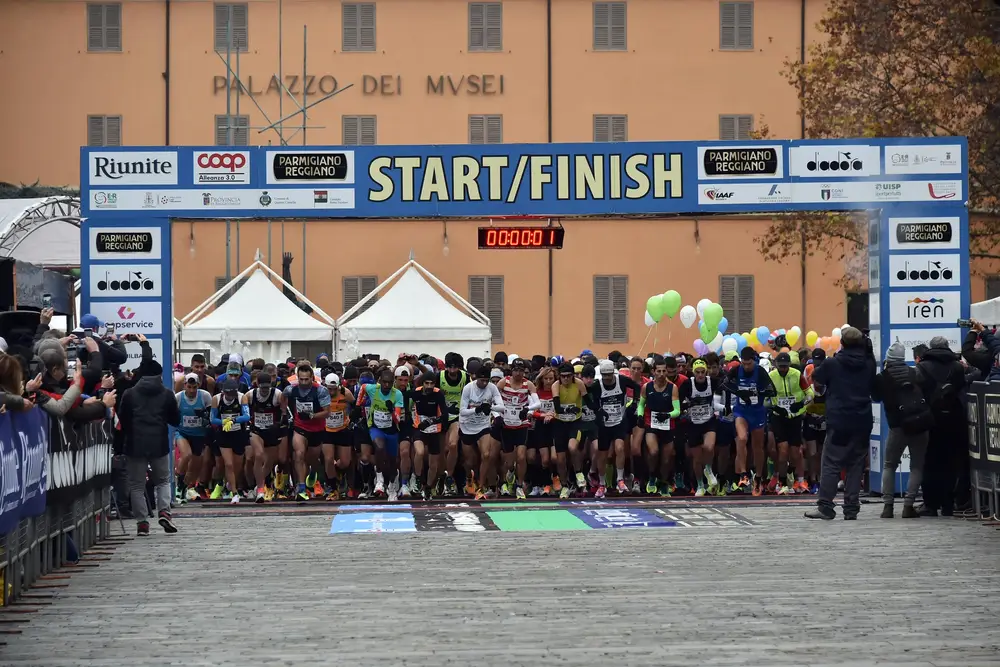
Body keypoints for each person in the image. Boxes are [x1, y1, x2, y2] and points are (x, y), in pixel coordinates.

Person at [805, 327, 879, 520]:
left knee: (831, 463)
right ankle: (851, 508)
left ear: (842, 343)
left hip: (839, 420)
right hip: (862, 420)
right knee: (856, 464)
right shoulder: (869, 363)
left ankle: (826, 507)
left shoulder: (833, 363)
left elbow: (816, 377)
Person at [117, 359, 181, 535]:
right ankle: (164, 512)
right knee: (163, 480)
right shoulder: (167, 394)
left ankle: (142, 522)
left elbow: (122, 419)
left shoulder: (129, 394)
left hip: (134, 444)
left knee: (137, 485)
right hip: (159, 442)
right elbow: (175, 419)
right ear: (159, 375)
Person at [876, 341, 932, 519]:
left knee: (889, 465)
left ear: (888, 359)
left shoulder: (882, 377)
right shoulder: (914, 372)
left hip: (897, 426)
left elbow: (875, 397)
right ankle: (909, 506)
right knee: (916, 465)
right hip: (919, 425)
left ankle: (888, 506)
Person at [915, 335, 966, 517]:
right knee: (950, 462)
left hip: (929, 419)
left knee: (929, 462)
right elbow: (961, 389)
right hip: (953, 419)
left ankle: (930, 503)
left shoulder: (922, 367)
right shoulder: (957, 368)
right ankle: (948, 503)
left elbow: (917, 392)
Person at [459, 365, 505, 500]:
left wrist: (490, 407)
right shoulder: (469, 388)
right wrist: (477, 409)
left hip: (483, 426)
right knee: (470, 461)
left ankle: (481, 486)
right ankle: (469, 478)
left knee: (486, 455)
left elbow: (501, 407)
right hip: (467, 426)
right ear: (476, 378)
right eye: (482, 381)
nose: (484, 383)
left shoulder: (492, 388)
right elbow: (462, 411)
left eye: (486, 380)